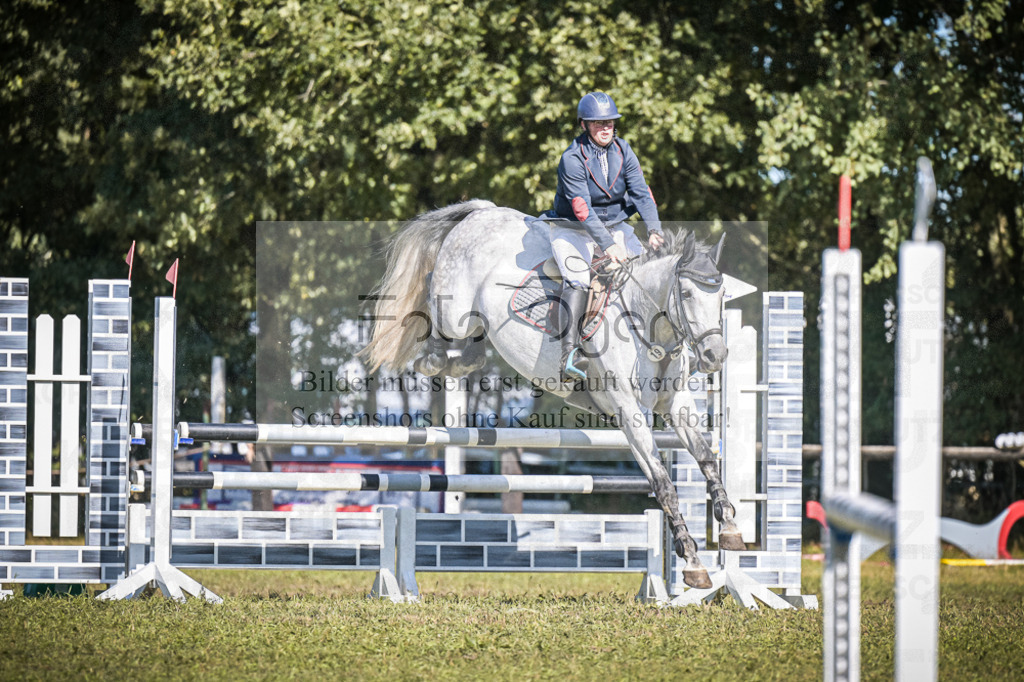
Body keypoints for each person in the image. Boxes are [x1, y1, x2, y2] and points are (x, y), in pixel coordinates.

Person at [547, 91, 665, 381]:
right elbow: (582, 209)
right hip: (573, 228)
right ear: (585, 125)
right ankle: (569, 356)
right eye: (598, 123)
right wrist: (609, 245)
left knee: (646, 271)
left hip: (614, 225)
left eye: (610, 122)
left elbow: (641, 192)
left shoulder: (623, 150)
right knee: (578, 278)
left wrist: (654, 229)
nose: (606, 128)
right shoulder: (572, 158)